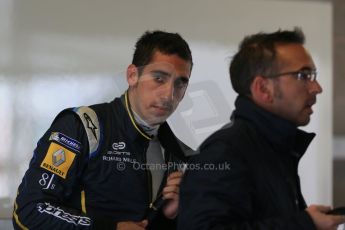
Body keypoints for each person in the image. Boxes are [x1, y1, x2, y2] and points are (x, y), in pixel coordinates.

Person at [13, 30, 194, 230]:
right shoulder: (82, 125)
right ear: (133, 75)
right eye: (159, 79)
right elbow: (29, 211)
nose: (169, 94)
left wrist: (171, 216)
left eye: (180, 83)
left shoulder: (177, 153)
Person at [177, 28, 345, 230]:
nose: (317, 87)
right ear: (263, 89)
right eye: (303, 75)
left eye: (313, 75)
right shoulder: (224, 152)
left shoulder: (274, 146)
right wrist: (304, 224)